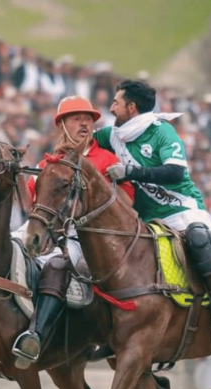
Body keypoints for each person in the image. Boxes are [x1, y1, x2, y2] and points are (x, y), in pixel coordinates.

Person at [98, 80, 211, 360]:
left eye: (116, 102)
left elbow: (175, 173)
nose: (111, 107)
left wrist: (130, 171)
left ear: (131, 107)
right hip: (142, 219)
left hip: (180, 210)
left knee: (200, 239)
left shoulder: (162, 132)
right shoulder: (112, 134)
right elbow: (82, 143)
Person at [11, 95, 135, 368]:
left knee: (56, 264)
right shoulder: (49, 164)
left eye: (88, 119)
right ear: (62, 125)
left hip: (91, 240)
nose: (84, 123)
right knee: (9, 249)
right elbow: (32, 207)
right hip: (50, 233)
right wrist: (16, 174)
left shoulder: (107, 159)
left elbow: (127, 205)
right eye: (76, 118)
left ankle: (36, 336)